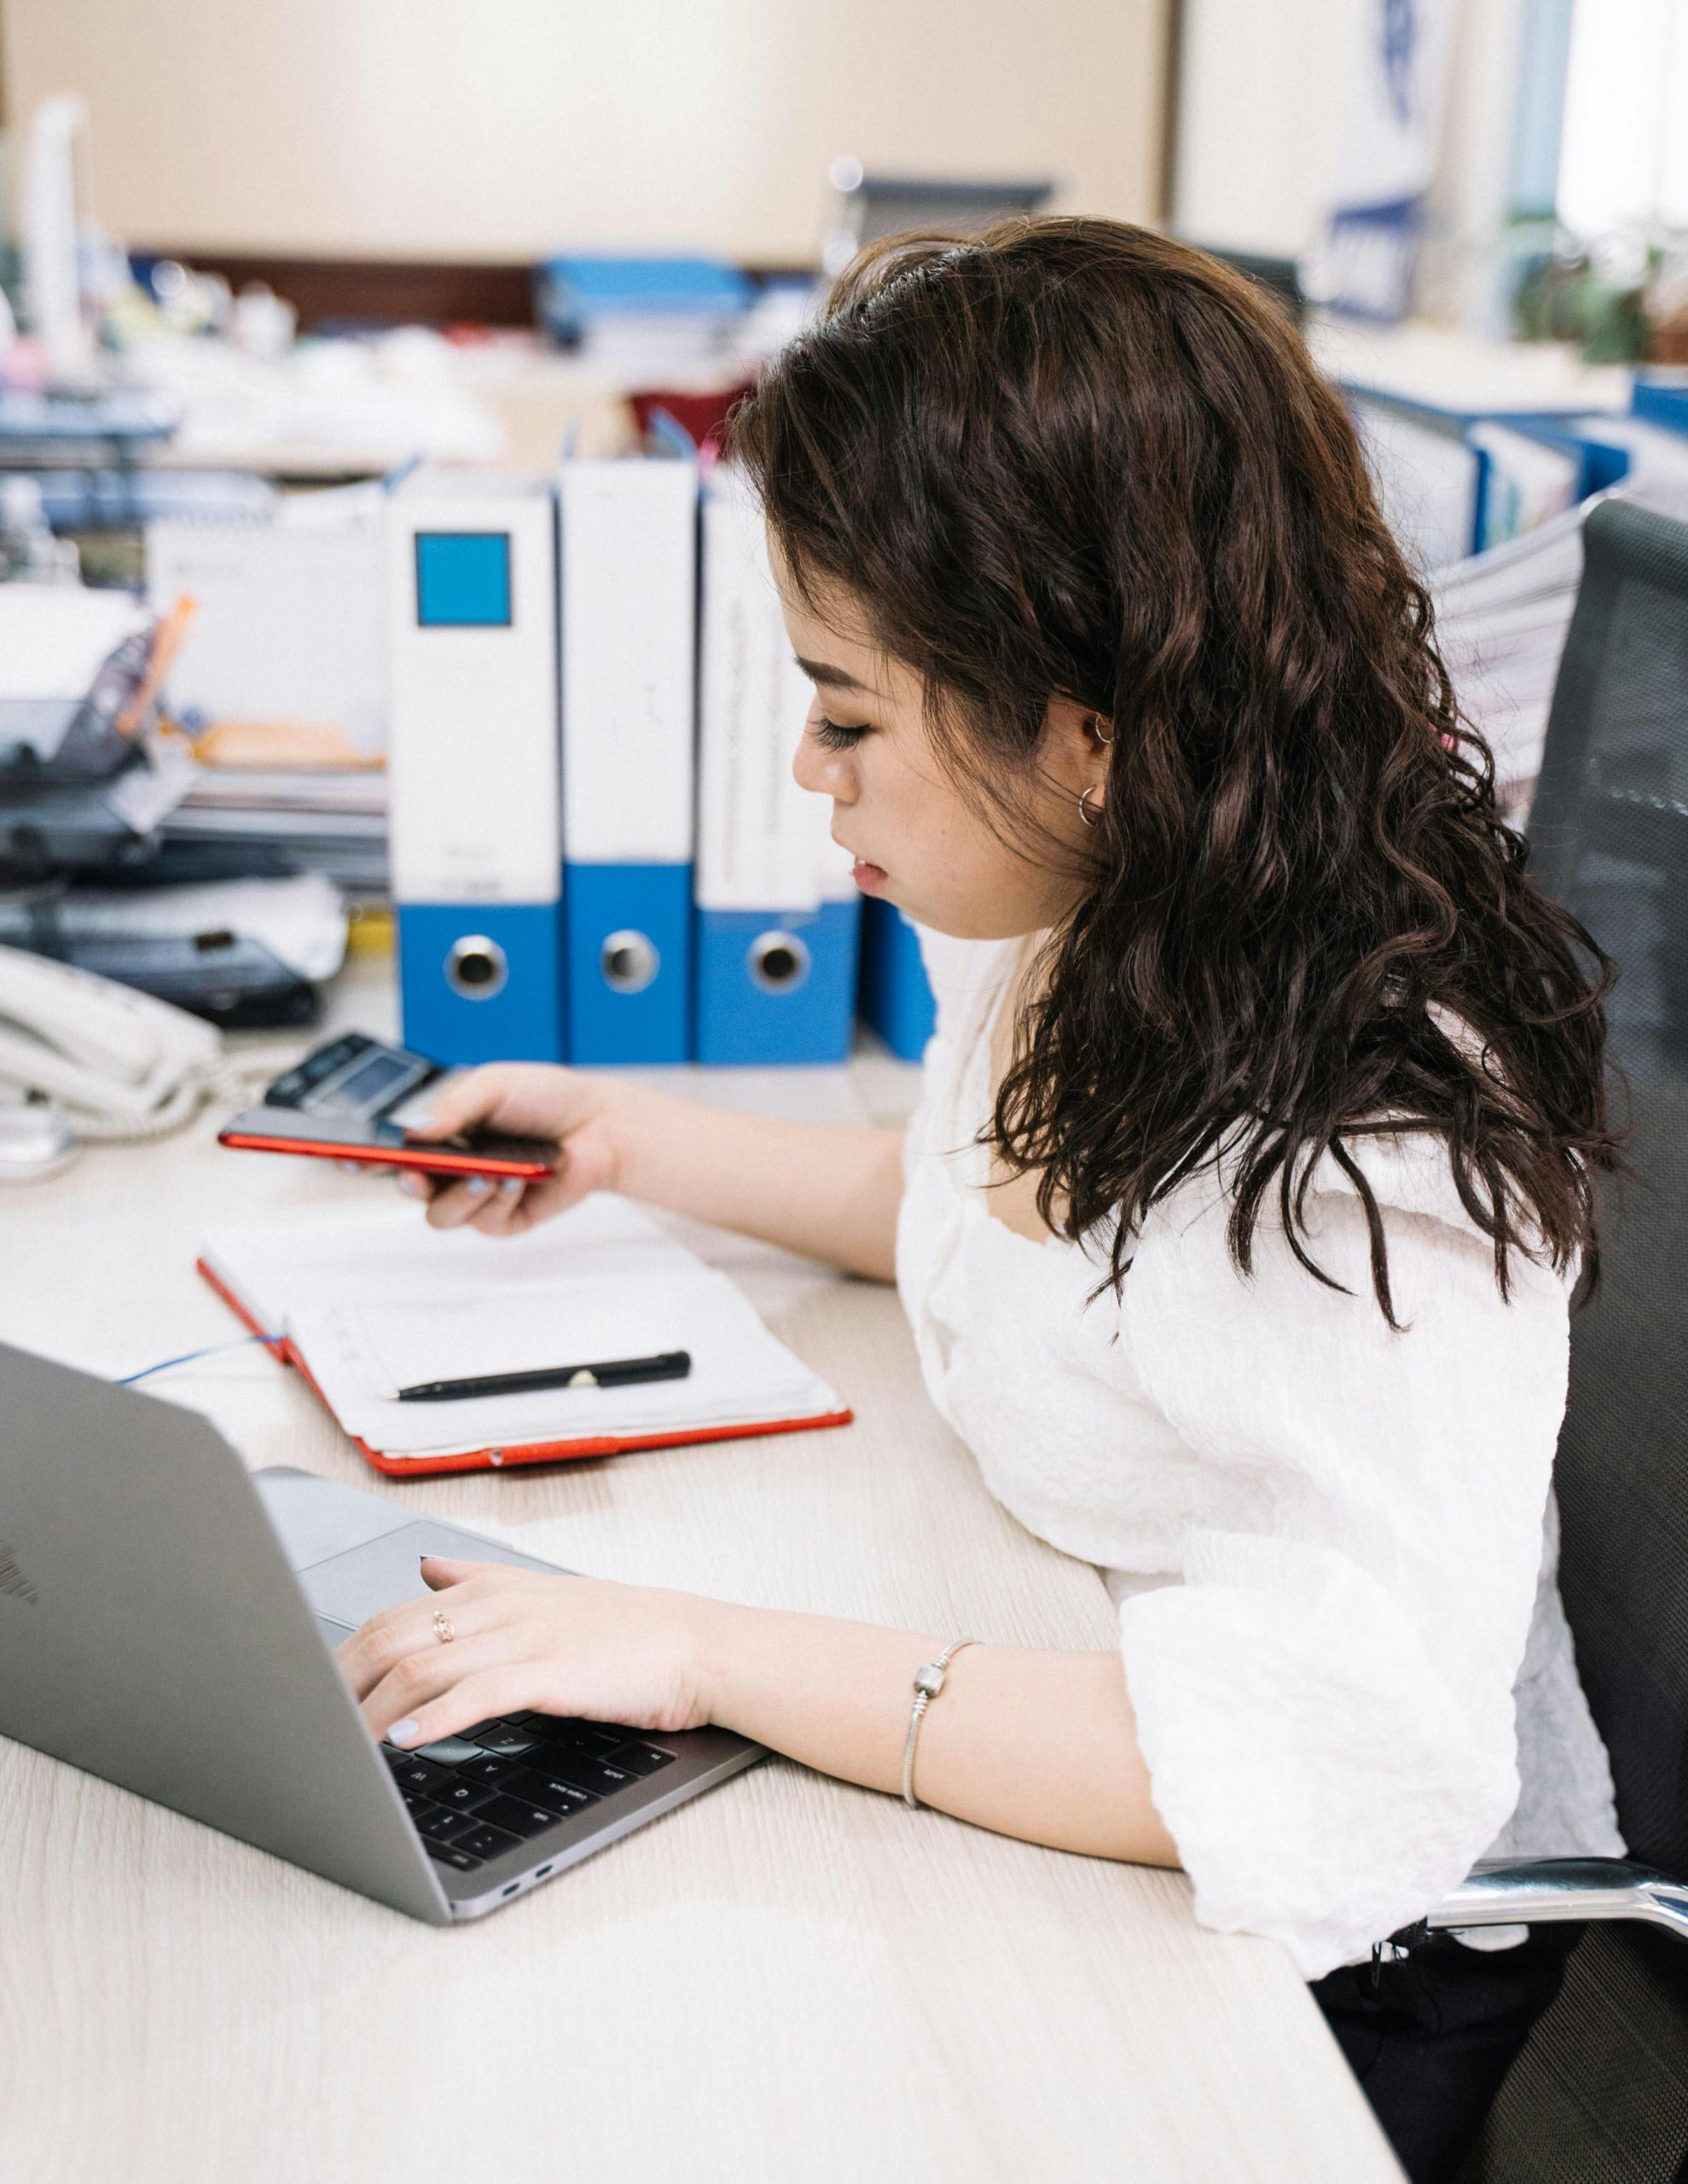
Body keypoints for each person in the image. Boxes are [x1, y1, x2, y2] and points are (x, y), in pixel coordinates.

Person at [338, 220, 1625, 2181]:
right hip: (1049, 1685)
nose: (806, 765)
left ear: (1087, 731)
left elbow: (1322, 1755)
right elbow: (993, 1230)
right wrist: (627, 1138)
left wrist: (697, 1651)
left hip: (1328, 1956)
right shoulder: (1096, 916)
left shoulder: (1372, 1152)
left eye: (849, 715)